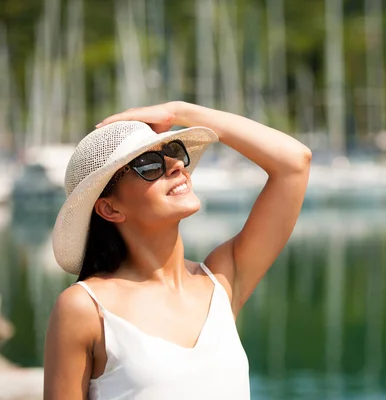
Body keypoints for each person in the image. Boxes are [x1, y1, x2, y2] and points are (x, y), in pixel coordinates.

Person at [43, 101, 312, 399]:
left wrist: (179, 112)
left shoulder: (219, 282)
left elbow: (295, 162)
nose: (176, 165)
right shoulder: (85, 308)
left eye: (173, 152)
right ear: (109, 208)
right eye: (148, 164)